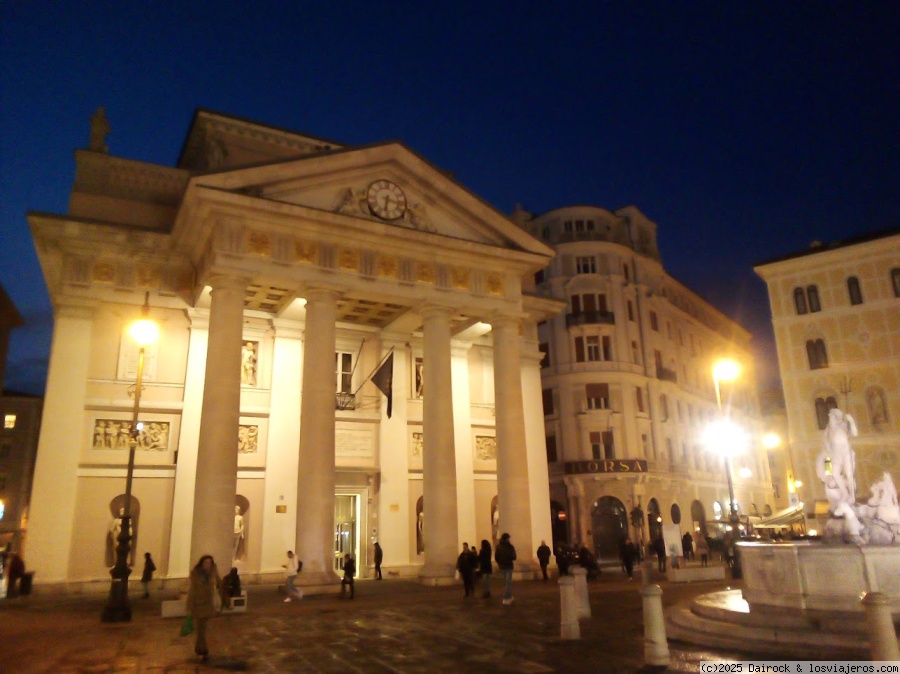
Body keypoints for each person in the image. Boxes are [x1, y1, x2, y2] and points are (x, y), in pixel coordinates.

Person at [186, 554, 219, 662]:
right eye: (206, 562)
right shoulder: (196, 575)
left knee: (202, 629)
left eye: (210, 563)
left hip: (208, 605)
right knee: (201, 629)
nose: (208, 565)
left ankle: (200, 649)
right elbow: (192, 591)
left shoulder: (212, 574)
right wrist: (189, 606)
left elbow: (219, 584)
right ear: (201, 563)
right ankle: (202, 650)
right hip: (198, 604)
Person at [495, 532, 517, 606]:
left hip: (502, 566)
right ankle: (505, 598)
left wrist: (500, 563)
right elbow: (514, 556)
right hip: (508, 566)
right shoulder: (510, 547)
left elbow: (496, 557)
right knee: (508, 583)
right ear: (507, 539)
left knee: (506, 582)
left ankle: (509, 596)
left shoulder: (498, 547)